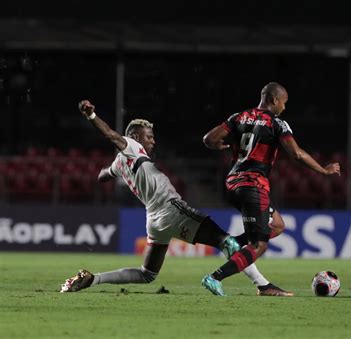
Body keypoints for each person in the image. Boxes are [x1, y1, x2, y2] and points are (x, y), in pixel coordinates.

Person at [60, 100, 260, 293]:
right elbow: (111, 135)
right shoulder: (131, 145)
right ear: (136, 138)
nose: (153, 141)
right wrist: (91, 115)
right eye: (149, 136)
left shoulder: (121, 162)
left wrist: (110, 171)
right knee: (228, 242)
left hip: (154, 220)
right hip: (171, 209)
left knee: (147, 274)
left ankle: (94, 279)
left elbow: (102, 176)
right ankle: (262, 284)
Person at [201, 82, 341, 296]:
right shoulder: (277, 123)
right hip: (253, 185)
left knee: (276, 225)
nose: (284, 108)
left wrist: (217, 145)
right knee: (259, 246)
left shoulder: (239, 116)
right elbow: (296, 154)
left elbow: (209, 139)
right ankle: (214, 277)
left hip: (232, 183)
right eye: (284, 103)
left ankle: (232, 244)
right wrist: (323, 170)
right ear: (274, 100)